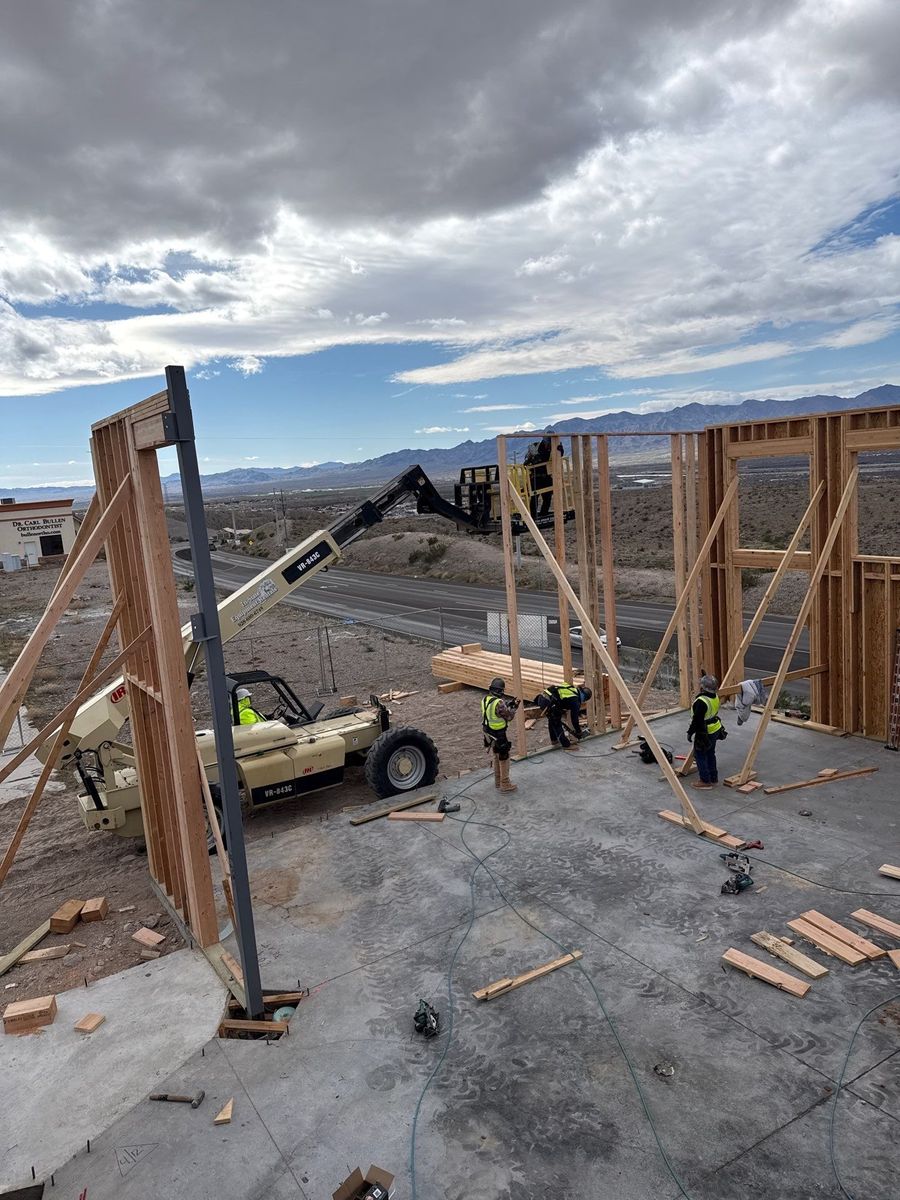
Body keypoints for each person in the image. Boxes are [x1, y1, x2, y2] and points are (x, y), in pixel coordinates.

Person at [687, 674, 727, 788]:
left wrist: (690, 732)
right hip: (715, 728)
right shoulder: (715, 697)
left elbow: (697, 720)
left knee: (700, 755)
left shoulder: (701, 701)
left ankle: (705, 781)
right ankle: (713, 778)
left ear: (703, 687)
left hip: (705, 731)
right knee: (710, 753)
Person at [481, 677, 520, 793]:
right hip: (499, 733)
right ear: (500, 691)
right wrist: (514, 707)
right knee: (504, 756)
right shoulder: (499, 703)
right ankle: (505, 783)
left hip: (488, 732)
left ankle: (498, 781)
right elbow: (509, 716)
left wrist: (507, 705)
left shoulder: (485, 699)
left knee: (496, 755)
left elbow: (495, 712)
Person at [535, 683, 592, 750]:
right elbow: (574, 720)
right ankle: (566, 745)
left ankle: (554, 740)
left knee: (552, 720)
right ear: (585, 698)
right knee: (557, 723)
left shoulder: (572, 689)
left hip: (542, 698)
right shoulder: (576, 701)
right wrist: (579, 731)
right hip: (549, 702)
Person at [523, 429, 563, 517]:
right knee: (534, 498)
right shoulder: (535, 447)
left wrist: (560, 450)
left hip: (547, 477)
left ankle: (543, 514)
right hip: (536, 477)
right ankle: (533, 517)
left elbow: (560, 455)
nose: (549, 445)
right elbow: (525, 462)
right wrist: (533, 459)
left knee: (547, 497)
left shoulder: (555, 447)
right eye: (548, 442)